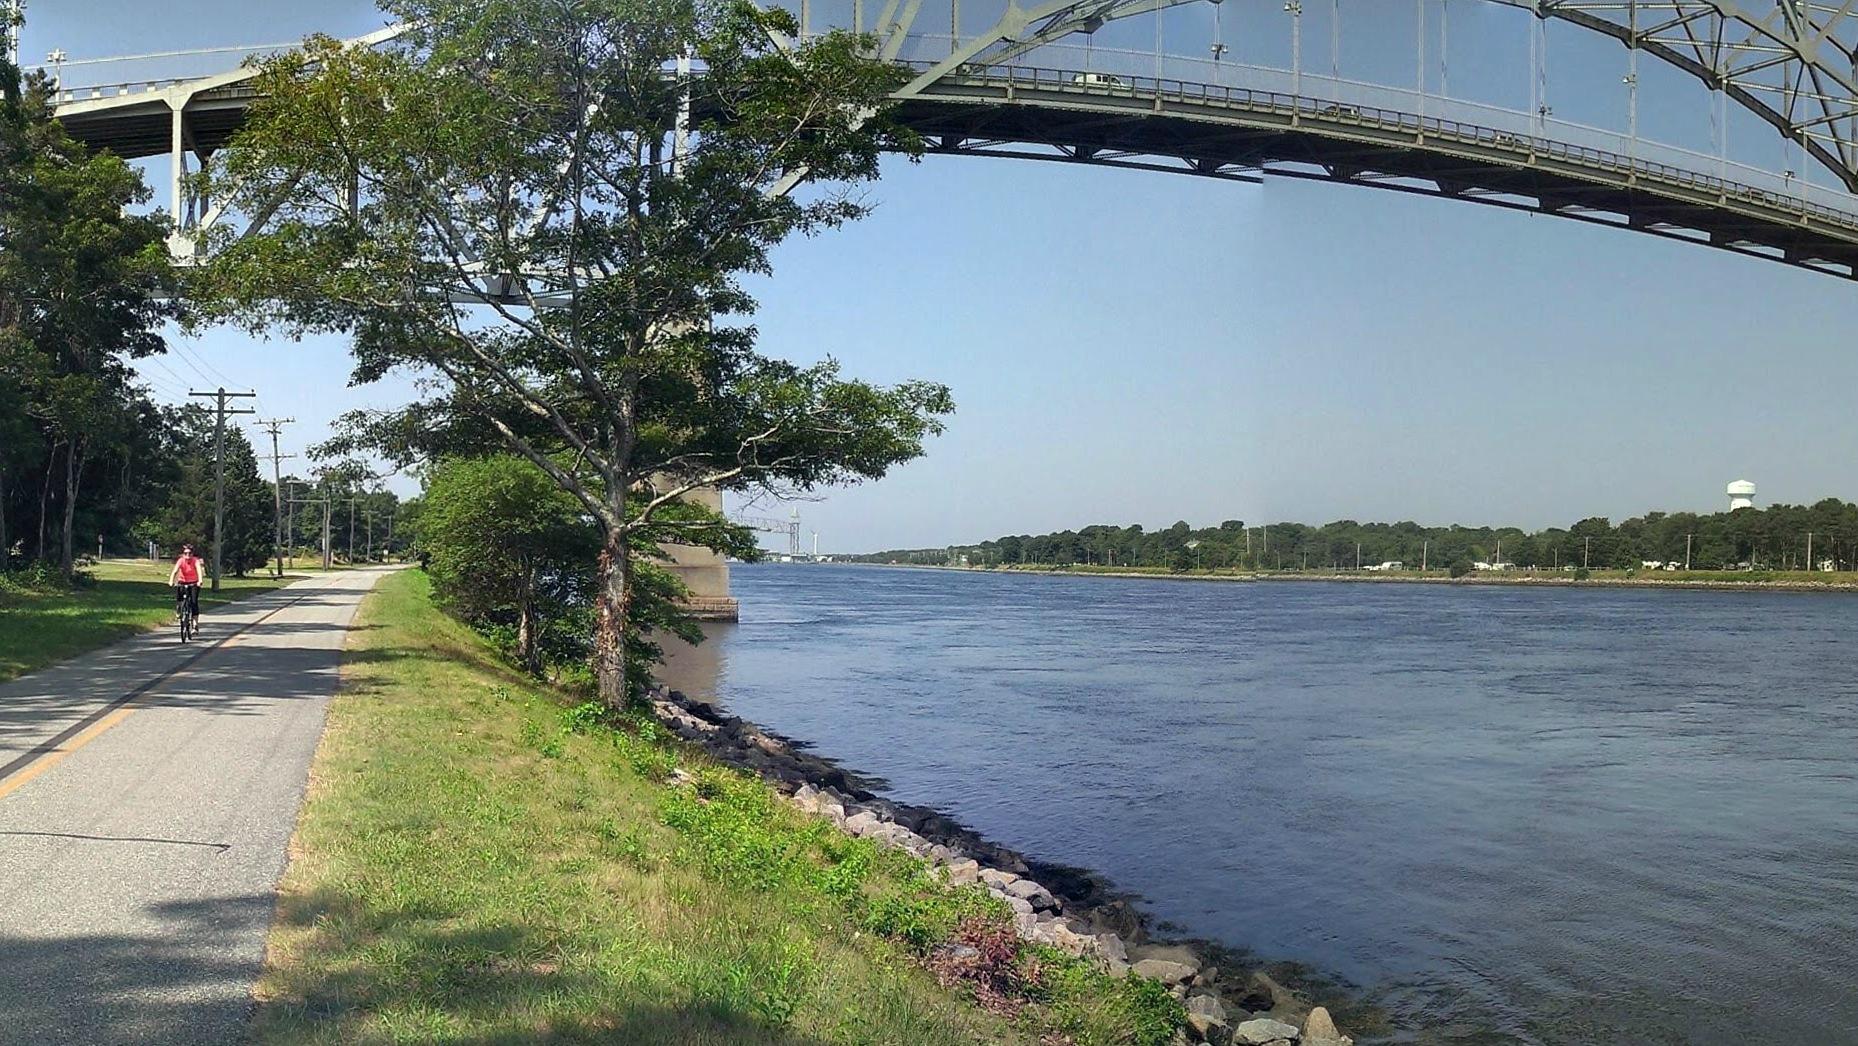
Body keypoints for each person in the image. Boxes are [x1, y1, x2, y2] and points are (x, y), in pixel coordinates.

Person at [169, 543, 205, 622]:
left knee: (194, 602)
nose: (187, 555)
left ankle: (195, 624)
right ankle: (179, 609)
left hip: (194, 583)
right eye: (185, 553)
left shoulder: (195, 560)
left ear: (192, 554)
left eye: (190, 553)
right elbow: (175, 571)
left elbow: (199, 570)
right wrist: (171, 581)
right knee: (180, 598)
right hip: (182, 582)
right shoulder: (181, 561)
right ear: (183, 554)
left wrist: (200, 581)